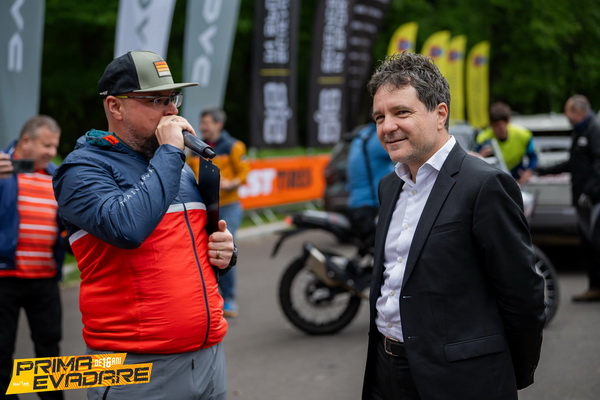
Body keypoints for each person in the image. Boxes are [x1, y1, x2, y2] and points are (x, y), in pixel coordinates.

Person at [361, 52, 546, 400]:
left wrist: (509, 373)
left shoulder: (485, 185)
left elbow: (523, 294)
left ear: (440, 113)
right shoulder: (390, 186)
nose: (387, 127)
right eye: (379, 117)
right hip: (386, 371)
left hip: (462, 380)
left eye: (401, 112)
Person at [52, 51, 236, 400]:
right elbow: (127, 229)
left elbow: (185, 247)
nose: (171, 111)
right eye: (156, 100)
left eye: (173, 99)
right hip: (132, 368)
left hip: (208, 358)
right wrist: (170, 153)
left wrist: (225, 251)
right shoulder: (81, 169)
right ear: (115, 107)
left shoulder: (174, 165)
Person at [0, 115, 64, 400]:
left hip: (45, 279)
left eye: (55, 146)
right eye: (46, 145)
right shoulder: (3, 168)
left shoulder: (55, 175)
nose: (52, 152)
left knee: (49, 351)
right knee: (2, 350)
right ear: (26, 141)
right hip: (5, 278)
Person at [537, 95, 600, 302]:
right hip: (583, 200)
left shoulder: (594, 130)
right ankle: (595, 287)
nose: (566, 115)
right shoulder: (580, 131)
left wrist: (589, 191)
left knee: (596, 242)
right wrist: (542, 171)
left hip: (594, 199)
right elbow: (573, 163)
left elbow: (598, 164)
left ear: (577, 112)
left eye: (567, 110)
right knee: (588, 244)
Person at [188, 108, 250, 318]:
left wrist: (231, 183)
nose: (202, 127)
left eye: (206, 123)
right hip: (203, 207)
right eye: (202, 123)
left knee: (224, 248)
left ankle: (229, 298)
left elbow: (244, 172)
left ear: (218, 124)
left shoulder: (234, 146)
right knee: (203, 251)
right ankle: (210, 297)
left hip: (229, 206)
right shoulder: (194, 147)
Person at [346, 121, 394, 246]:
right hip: (371, 206)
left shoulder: (362, 136)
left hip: (356, 205)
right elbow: (409, 152)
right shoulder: (377, 140)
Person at [474, 101, 538, 183]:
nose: (497, 129)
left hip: (516, 177)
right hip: (493, 179)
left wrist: (528, 172)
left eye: (500, 126)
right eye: (494, 126)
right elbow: (473, 160)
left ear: (508, 121)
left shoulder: (523, 135)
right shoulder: (483, 138)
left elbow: (533, 156)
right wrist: (480, 156)